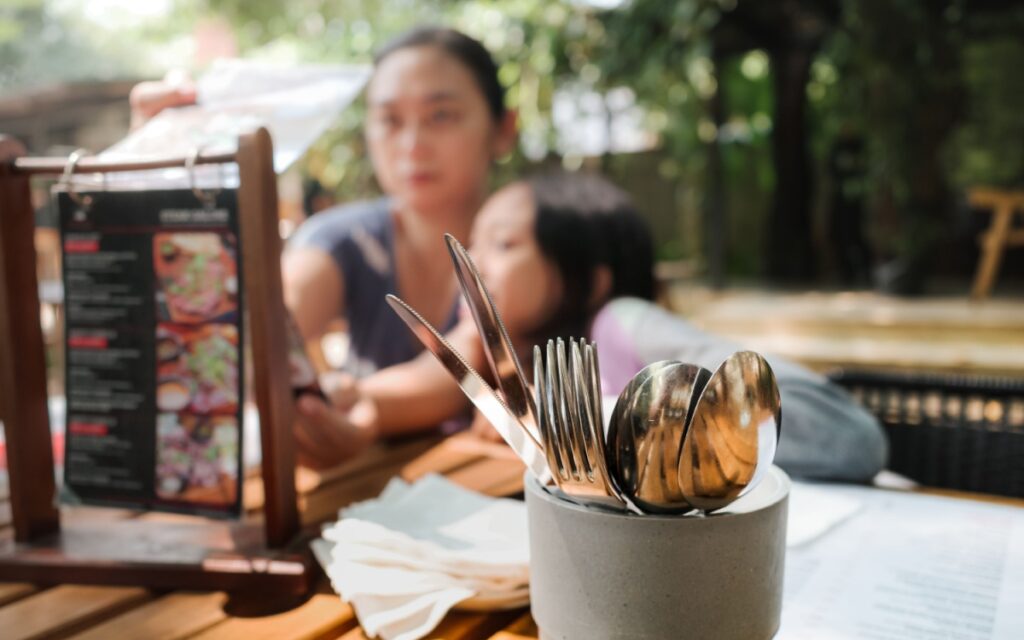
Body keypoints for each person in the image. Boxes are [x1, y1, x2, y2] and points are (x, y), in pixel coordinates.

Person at [328, 172, 888, 482]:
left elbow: (850, 438)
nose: (471, 264)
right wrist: (344, 396)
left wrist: (591, 419)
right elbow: (404, 392)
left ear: (589, 280)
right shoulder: (502, 365)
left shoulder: (620, 325)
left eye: (502, 244)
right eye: (470, 244)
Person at [130, 27, 517, 469]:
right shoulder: (342, 239)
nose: (412, 144)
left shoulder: (530, 238)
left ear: (503, 128)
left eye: (441, 115)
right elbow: (261, 334)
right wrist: (158, 190)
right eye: (390, 119)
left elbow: (470, 359)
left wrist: (360, 404)